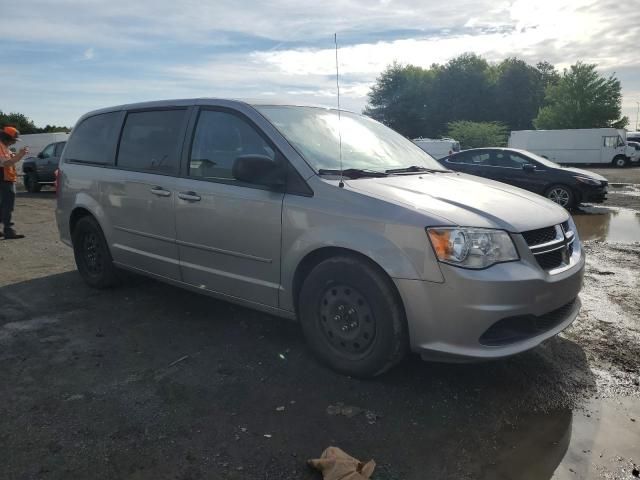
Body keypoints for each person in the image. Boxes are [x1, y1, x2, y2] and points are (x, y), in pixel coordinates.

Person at [0, 126, 29, 239]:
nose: (14, 142)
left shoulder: (4, 147)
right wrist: (20, 155)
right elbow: (6, 163)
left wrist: (15, 155)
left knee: (2, 206)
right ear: (7, 138)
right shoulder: (1, 147)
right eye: (13, 140)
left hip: (5, 179)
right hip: (4, 180)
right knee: (7, 206)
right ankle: (9, 230)